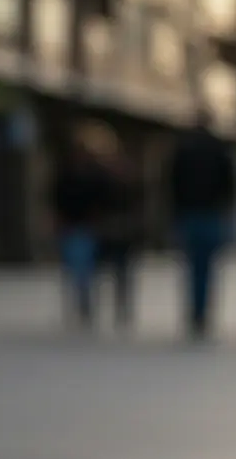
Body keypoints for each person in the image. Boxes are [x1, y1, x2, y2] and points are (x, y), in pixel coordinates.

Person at [167, 112, 236, 339]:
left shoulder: (183, 151)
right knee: (206, 266)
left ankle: (196, 310)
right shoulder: (219, 150)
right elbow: (230, 184)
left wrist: (176, 212)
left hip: (190, 215)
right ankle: (202, 310)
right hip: (211, 215)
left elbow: (172, 184)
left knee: (192, 265)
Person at [49, 128, 111, 329]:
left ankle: (86, 303)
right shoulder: (66, 173)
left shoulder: (95, 174)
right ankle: (78, 303)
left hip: (87, 226)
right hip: (70, 225)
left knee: (86, 267)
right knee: (73, 267)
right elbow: (55, 197)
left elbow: (103, 198)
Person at [93, 127, 142, 330]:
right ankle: (104, 305)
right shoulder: (103, 178)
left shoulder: (129, 179)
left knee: (123, 270)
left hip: (124, 230)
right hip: (110, 229)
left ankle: (122, 305)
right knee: (108, 269)